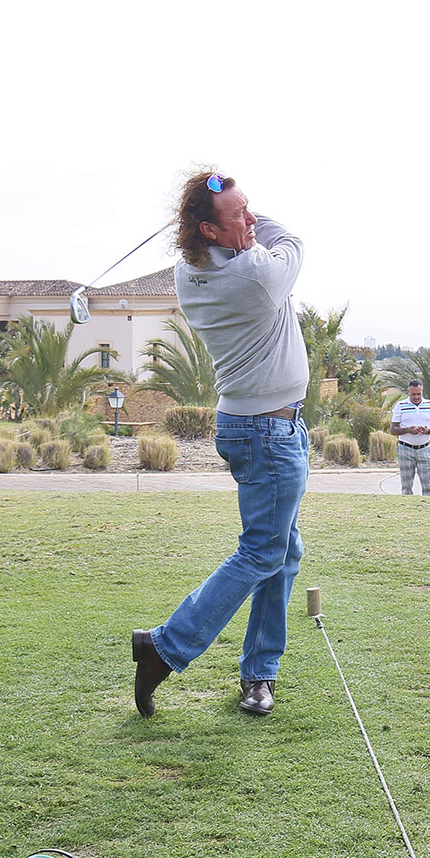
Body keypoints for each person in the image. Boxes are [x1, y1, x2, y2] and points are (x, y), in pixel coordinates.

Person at [132, 170, 309, 719]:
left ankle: (259, 674)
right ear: (209, 230)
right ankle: (165, 647)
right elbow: (293, 241)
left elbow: (250, 233)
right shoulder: (256, 276)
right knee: (262, 552)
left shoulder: (191, 268)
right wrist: (228, 209)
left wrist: (219, 209)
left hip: (250, 427)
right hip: (268, 433)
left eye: (250, 209)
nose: (252, 220)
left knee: (282, 553)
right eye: (239, 215)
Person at [388, 377, 430, 496]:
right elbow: (393, 429)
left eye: (418, 394)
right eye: (413, 394)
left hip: (424, 448)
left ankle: (429, 509)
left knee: (428, 485)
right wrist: (408, 430)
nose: (416, 397)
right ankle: (407, 510)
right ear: (408, 392)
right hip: (405, 448)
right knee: (406, 486)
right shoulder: (401, 405)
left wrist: (428, 431)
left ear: (422, 392)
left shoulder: (429, 405)